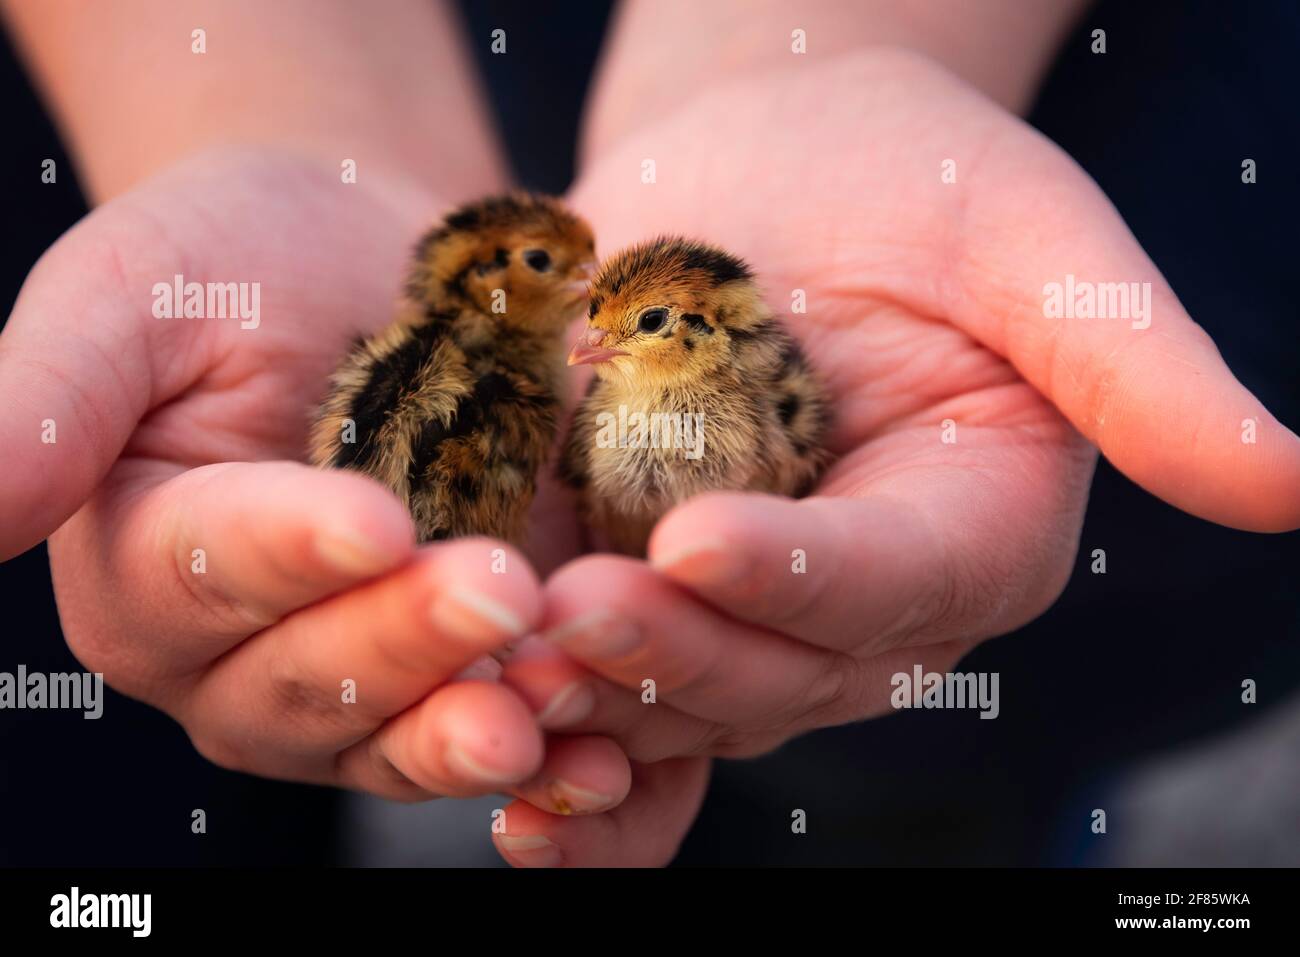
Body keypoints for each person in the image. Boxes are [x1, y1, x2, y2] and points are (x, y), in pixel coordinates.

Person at [1, 0, 1295, 867]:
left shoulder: (738, 385)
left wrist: (816, 48)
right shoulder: (521, 376)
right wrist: (248, 105)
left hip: (1097, 79)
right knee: (130, 765)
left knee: (890, 760)